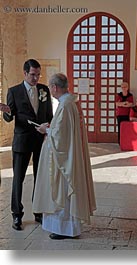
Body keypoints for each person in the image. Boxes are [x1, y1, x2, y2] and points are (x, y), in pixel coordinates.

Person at [32, 73, 96, 240]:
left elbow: (61, 135)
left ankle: (64, 228)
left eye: (51, 87)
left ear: (55, 87)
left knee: (62, 191)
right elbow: (63, 128)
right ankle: (66, 227)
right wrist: (50, 126)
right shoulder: (69, 102)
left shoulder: (66, 104)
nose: (51, 90)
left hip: (63, 159)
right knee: (63, 190)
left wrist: (45, 130)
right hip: (67, 155)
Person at [0, 59, 53, 230]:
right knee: (18, 179)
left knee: (40, 177)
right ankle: (17, 215)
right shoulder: (14, 91)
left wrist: (49, 131)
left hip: (41, 141)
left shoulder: (44, 90)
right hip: (22, 141)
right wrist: (7, 112)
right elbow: (10, 117)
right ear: (25, 73)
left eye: (38, 75)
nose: (36, 78)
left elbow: (49, 115)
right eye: (32, 74)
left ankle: (38, 212)